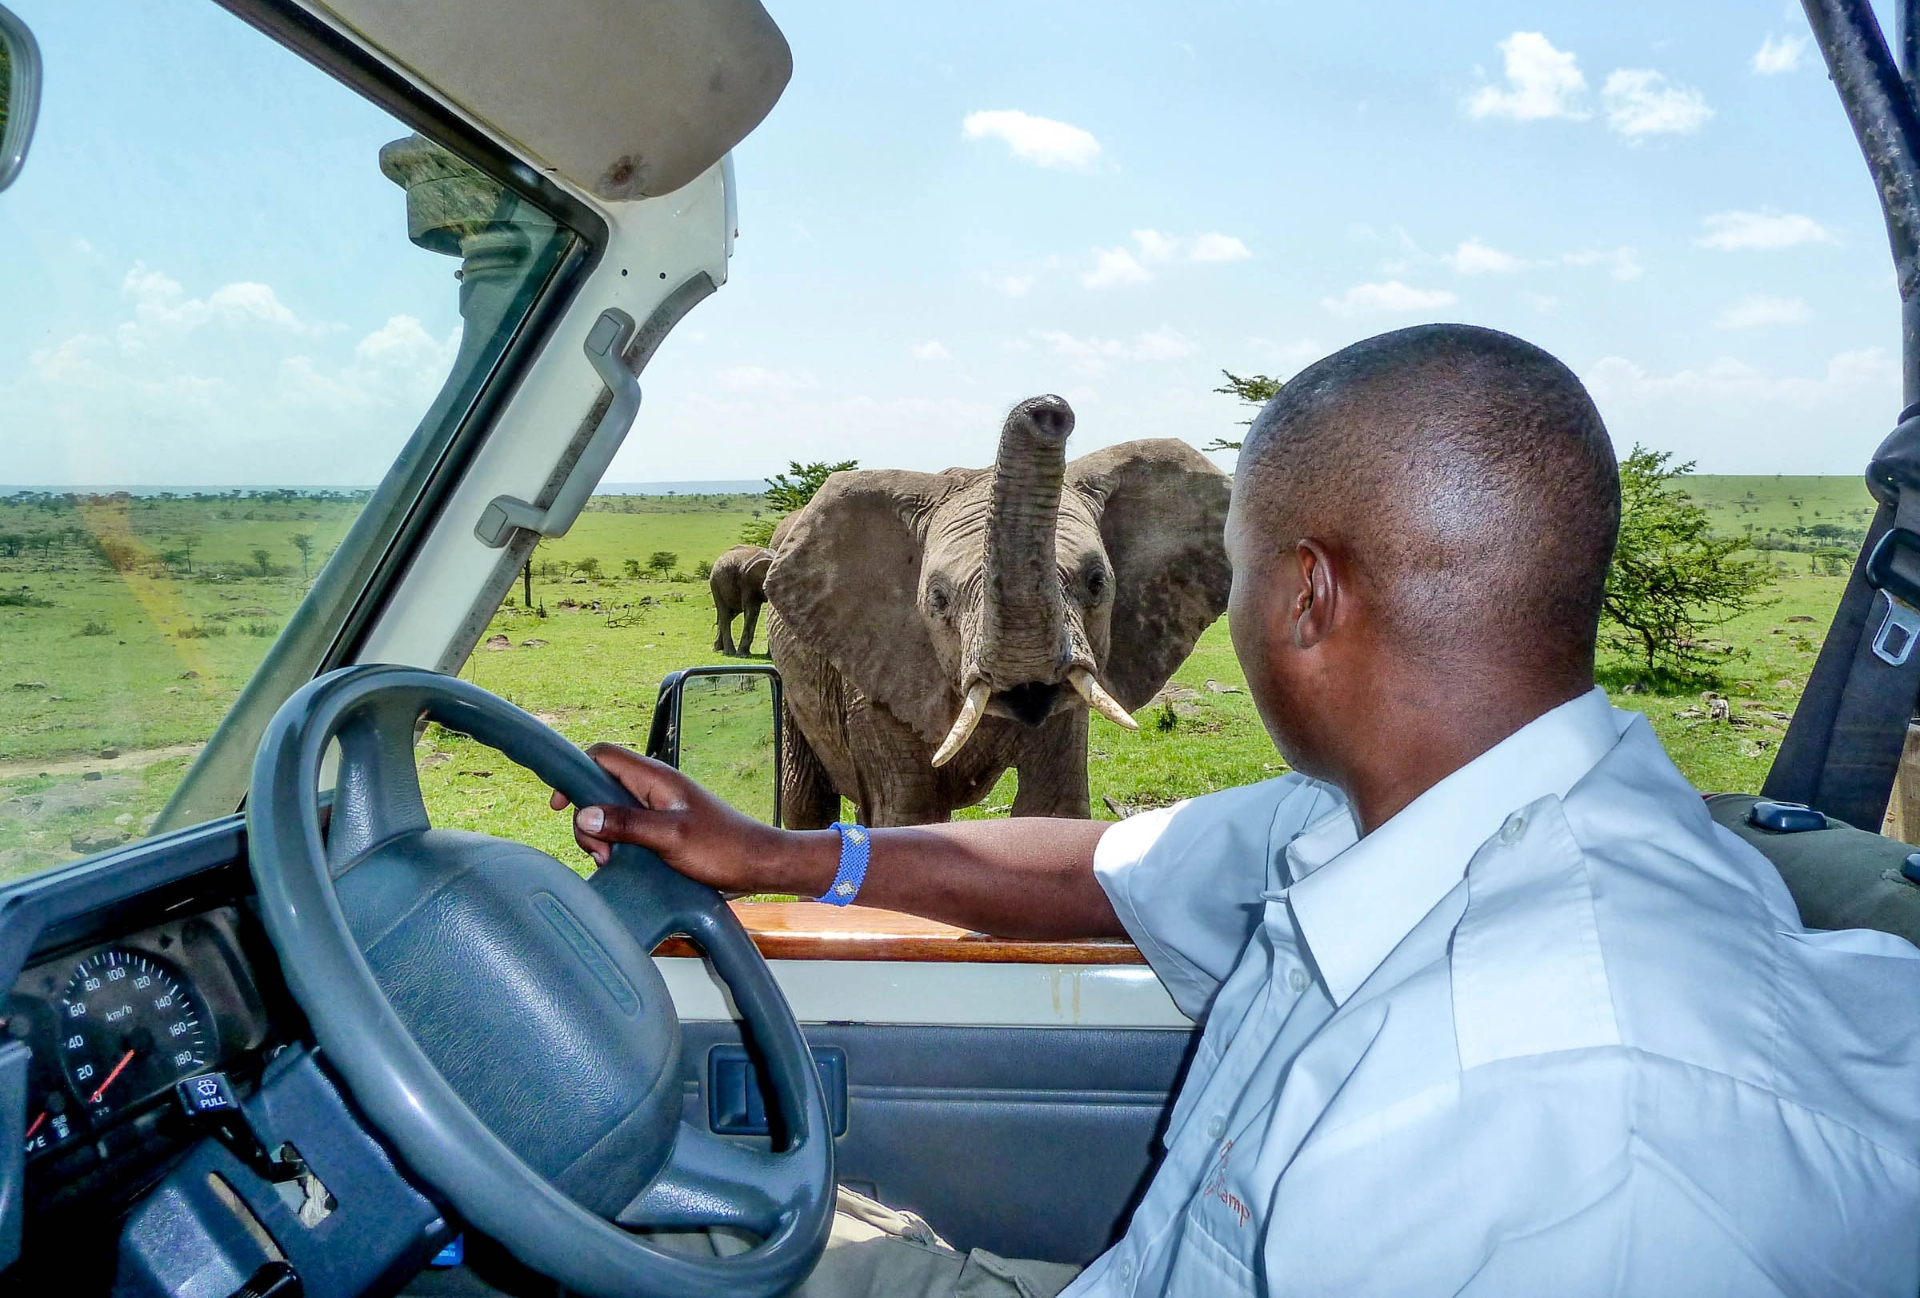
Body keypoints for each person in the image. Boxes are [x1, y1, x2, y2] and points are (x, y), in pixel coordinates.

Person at [555, 325, 1920, 1297]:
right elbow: (1101, 868)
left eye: (1241, 572)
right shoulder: (1387, 823)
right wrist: (784, 853)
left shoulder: (1567, 1128)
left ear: (1307, 597)